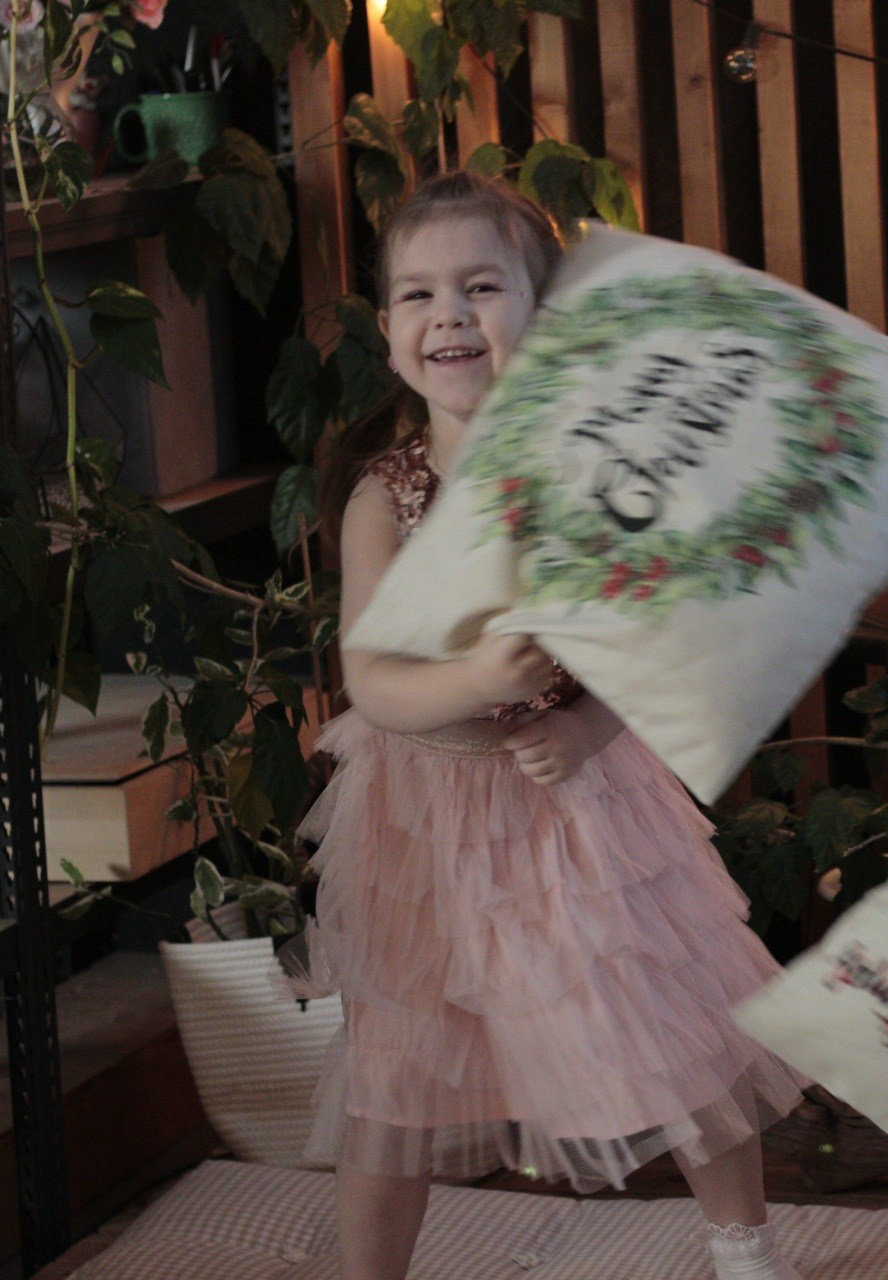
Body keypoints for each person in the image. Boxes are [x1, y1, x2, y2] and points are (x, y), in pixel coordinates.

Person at [295, 172, 808, 1280]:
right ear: (387, 330)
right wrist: (476, 674)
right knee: (396, 1061)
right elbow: (371, 680)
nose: (450, 314)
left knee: (676, 1021)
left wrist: (588, 728)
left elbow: (652, 637)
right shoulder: (387, 497)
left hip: (576, 795)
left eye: (483, 287)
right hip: (421, 813)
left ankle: (745, 1248)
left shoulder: (594, 476)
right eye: (420, 294)